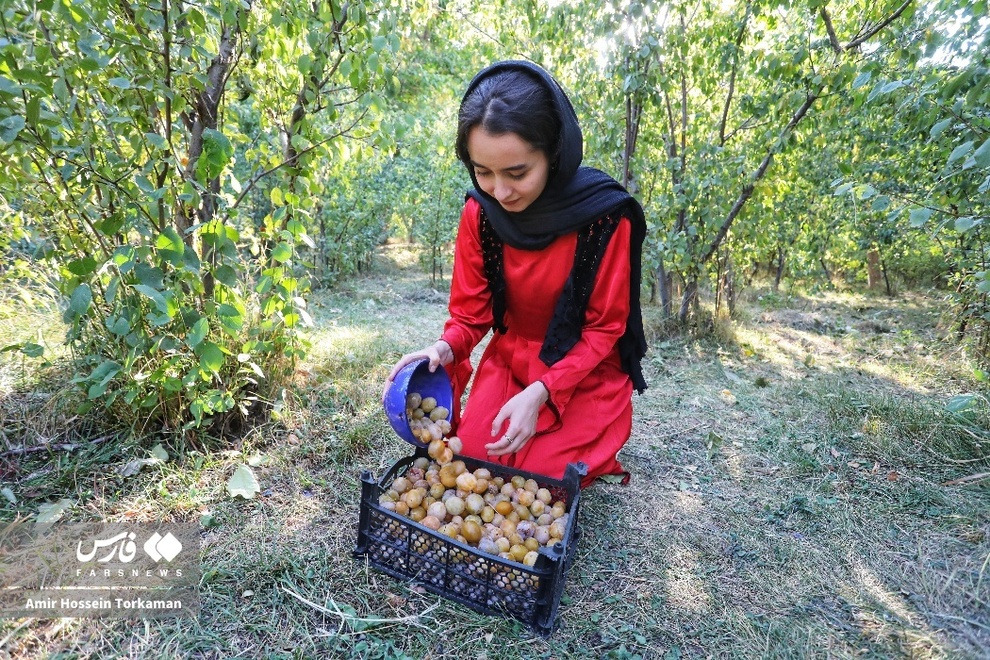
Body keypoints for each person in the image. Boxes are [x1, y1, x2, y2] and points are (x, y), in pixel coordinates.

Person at [385, 60, 647, 488]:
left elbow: (605, 328)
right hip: (513, 362)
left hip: (581, 371)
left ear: (554, 153)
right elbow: (470, 315)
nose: (500, 192)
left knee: (540, 478)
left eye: (517, 173)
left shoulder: (604, 219)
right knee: (476, 461)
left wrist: (543, 391)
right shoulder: (480, 213)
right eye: (482, 172)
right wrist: (444, 348)